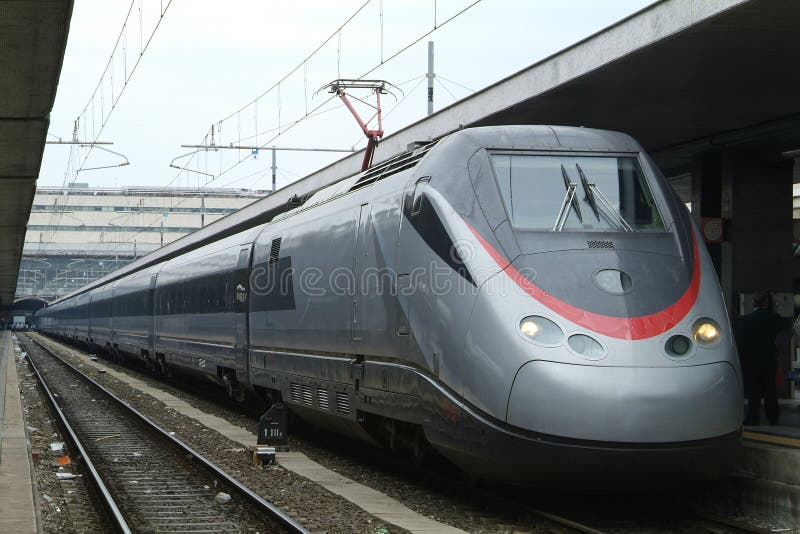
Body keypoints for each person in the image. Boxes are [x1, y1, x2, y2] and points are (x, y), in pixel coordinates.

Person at [736, 291, 796, 425]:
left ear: (753, 302)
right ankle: (773, 417)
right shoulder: (773, 318)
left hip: (751, 361)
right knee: (770, 390)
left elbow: (741, 343)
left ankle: (753, 417)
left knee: (753, 391)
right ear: (767, 303)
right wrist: (775, 307)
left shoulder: (745, 320)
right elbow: (787, 326)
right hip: (769, 360)